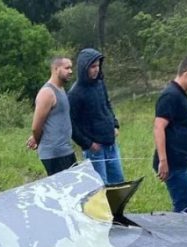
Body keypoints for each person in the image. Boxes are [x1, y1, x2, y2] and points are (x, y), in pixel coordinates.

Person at [153, 55, 187, 213]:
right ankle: (176, 236)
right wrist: (163, 161)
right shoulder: (170, 95)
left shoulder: (180, 94)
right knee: (184, 207)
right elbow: (158, 127)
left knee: (185, 204)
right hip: (173, 163)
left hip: (183, 160)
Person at [69, 48, 123, 184]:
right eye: (93, 66)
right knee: (100, 185)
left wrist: (115, 124)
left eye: (98, 65)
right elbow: (71, 124)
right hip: (95, 149)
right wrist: (88, 144)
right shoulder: (75, 93)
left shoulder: (100, 84)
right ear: (84, 67)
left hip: (111, 144)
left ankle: (117, 206)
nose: (96, 69)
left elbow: (107, 104)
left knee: (118, 182)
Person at [27, 57, 76, 175]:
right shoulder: (47, 93)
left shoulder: (61, 89)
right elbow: (35, 127)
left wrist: (35, 137)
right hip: (55, 153)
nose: (70, 71)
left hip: (65, 150)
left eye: (71, 68)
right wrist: (38, 140)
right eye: (67, 68)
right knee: (66, 189)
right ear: (56, 69)